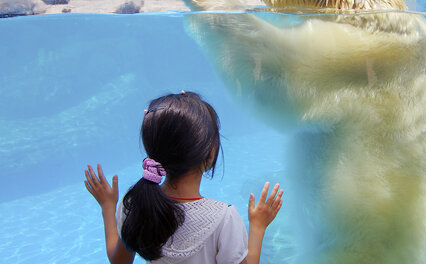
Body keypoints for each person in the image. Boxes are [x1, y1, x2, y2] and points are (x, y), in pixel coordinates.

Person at [84, 91, 283, 264]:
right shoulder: (224, 219)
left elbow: (119, 261)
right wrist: (257, 226)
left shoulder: (135, 204)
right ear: (210, 154)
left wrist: (108, 206)